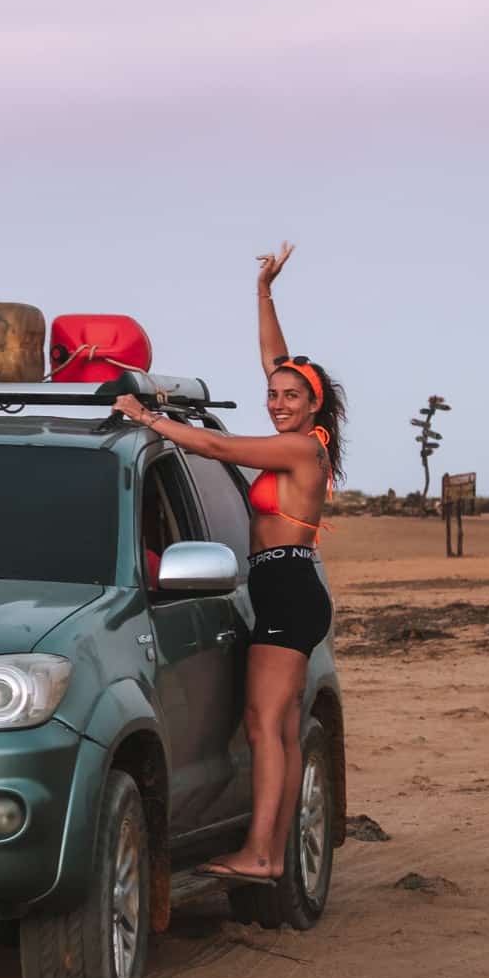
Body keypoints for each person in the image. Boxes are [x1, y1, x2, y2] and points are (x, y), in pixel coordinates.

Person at [114, 243, 346, 885]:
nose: (277, 401)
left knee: (265, 724)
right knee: (275, 725)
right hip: (284, 583)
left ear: (313, 405)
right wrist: (264, 291)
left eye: (290, 395)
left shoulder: (301, 450)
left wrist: (149, 418)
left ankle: (263, 853)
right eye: (272, 394)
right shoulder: (300, 431)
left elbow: (216, 443)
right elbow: (277, 357)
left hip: (288, 584)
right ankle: (271, 849)